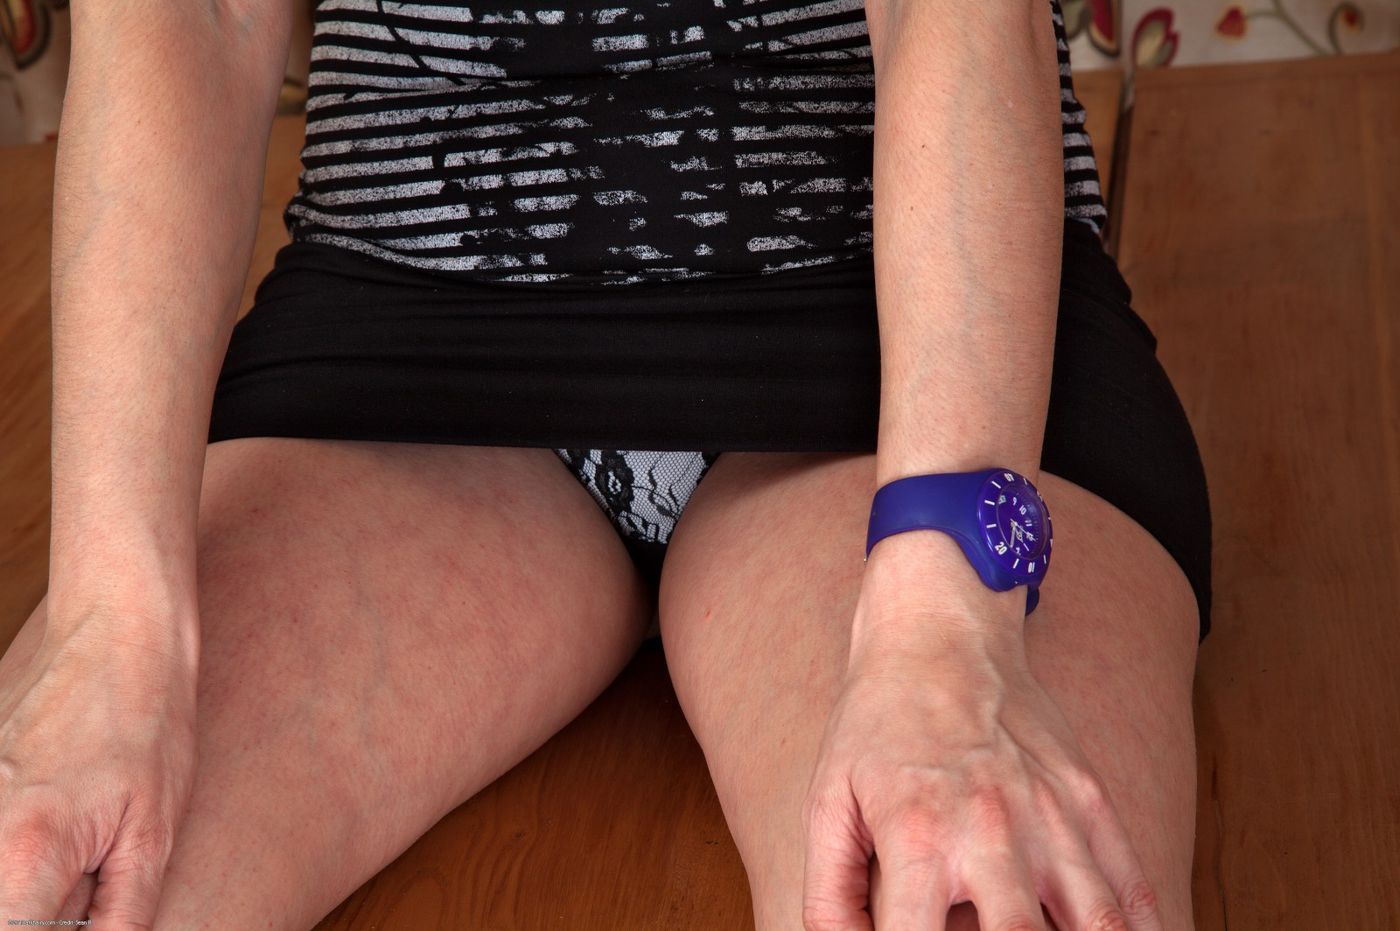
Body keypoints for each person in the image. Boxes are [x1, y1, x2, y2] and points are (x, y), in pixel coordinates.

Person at [0, 0, 1211, 928]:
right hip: (403, 331)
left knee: (970, 895)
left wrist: (945, 628)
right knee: (52, 882)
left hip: (905, 338)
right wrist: (112, 626)